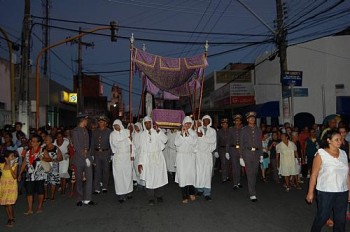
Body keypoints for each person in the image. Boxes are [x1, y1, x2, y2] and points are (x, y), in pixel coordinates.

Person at [306, 130, 349, 232]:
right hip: (326, 191)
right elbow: (314, 174)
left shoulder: (343, 153)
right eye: (336, 139)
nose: (339, 141)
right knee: (323, 216)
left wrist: (349, 191)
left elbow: (347, 174)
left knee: (340, 219)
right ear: (328, 140)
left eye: (341, 139)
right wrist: (310, 192)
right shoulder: (321, 154)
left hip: (342, 191)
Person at [138, 116, 168, 205]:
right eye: (146, 123)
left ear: (151, 123)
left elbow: (165, 140)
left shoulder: (157, 131)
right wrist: (140, 162)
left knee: (159, 178)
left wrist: (159, 132)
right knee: (149, 178)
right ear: (144, 124)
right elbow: (142, 150)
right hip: (147, 158)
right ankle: (151, 197)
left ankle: (159, 196)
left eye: (149, 122)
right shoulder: (142, 135)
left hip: (158, 157)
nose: (147, 124)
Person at [19, 134, 50, 214]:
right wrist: (20, 173)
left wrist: (43, 158)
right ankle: (30, 209)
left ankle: (39, 207)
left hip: (40, 174)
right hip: (30, 174)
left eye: (34, 141)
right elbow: (24, 163)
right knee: (29, 192)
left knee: (40, 191)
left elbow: (50, 159)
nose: (32, 142)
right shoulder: (28, 151)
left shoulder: (42, 150)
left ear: (39, 143)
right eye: (31, 141)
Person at [71, 113, 96, 206]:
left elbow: (89, 145)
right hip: (79, 159)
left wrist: (90, 156)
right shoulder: (75, 131)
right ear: (82, 120)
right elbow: (77, 146)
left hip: (87, 158)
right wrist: (85, 158)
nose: (87, 121)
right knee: (79, 179)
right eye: (86, 120)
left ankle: (88, 199)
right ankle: (79, 199)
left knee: (89, 178)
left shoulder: (86, 130)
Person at [174, 116, 198, 203]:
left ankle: (191, 193)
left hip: (190, 157)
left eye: (189, 123)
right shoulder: (178, 133)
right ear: (183, 123)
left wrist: (187, 134)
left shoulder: (194, 133)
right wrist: (182, 134)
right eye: (186, 123)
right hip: (181, 157)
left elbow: (194, 143)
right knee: (183, 176)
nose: (187, 125)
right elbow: (176, 143)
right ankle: (184, 195)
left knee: (190, 176)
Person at [240, 112, 262, 202]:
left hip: (256, 153)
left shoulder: (258, 129)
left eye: (253, 118)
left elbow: (260, 143)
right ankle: (252, 193)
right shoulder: (244, 129)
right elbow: (241, 143)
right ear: (247, 120)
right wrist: (241, 156)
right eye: (250, 118)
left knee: (255, 172)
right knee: (249, 173)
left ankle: (252, 188)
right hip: (247, 153)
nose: (252, 119)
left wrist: (261, 154)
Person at [109, 119, 133, 203]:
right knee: (119, 176)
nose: (116, 127)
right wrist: (127, 140)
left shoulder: (127, 131)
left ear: (120, 125)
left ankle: (129, 191)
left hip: (127, 157)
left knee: (128, 174)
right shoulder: (112, 134)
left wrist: (132, 154)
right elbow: (116, 144)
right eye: (114, 125)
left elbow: (132, 145)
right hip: (118, 157)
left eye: (117, 125)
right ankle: (121, 194)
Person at [195, 115, 217, 201]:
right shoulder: (198, 129)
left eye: (208, 120)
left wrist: (203, 137)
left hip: (207, 154)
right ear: (202, 121)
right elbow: (195, 141)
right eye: (204, 120)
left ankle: (207, 192)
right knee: (199, 171)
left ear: (210, 121)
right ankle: (200, 189)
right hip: (199, 154)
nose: (206, 121)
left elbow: (212, 141)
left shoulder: (212, 131)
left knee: (207, 173)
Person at [91, 116, 112, 194]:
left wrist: (111, 154)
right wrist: (92, 155)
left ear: (106, 123)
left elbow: (111, 143)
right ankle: (96, 188)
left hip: (106, 153)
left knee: (106, 170)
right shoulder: (95, 131)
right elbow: (92, 143)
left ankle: (104, 187)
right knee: (97, 171)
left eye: (102, 122)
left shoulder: (109, 131)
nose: (100, 123)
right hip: (97, 154)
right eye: (99, 122)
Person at [0, 150, 18, 227]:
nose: (13, 157)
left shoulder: (15, 165)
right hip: (3, 185)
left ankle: (11, 219)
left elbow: (14, 177)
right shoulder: (1, 165)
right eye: (12, 156)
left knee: (8, 203)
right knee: (6, 204)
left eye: (14, 156)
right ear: (6, 158)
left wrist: (10, 167)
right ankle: (11, 216)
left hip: (11, 186)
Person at [43, 134, 63, 200]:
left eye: (47, 139)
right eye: (45, 139)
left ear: (51, 140)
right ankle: (45, 195)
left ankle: (52, 195)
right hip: (45, 166)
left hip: (54, 166)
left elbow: (61, 158)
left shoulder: (56, 148)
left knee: (53, 181)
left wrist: (54, 160)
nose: (45, 140)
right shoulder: (43, 148)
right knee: (44, 181)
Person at [229, 114, 244, 190]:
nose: (238, 122)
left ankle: (238, 182)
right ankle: (235, 183)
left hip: (241, 150)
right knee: (235, 167)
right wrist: (227, 152)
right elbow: (228, 141)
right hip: (233, 150)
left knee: (239, 167)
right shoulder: (231, 129)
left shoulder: (243, 129)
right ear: (234, 121)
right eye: (236, 120)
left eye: (239, 120)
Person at [216, 118, 231, 183]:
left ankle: (227, 176)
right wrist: (216, 150)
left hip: (229, 149)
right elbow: (217, 141)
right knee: (223, 163)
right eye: (224, 124)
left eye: (226, 124)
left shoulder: (230, 131)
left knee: (228, 163)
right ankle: (224, 177)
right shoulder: (219, 132)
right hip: (222, 149)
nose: (225, 125)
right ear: (221, 125)